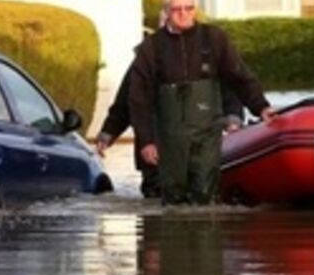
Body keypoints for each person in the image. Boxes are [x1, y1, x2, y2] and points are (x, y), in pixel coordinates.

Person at [128, 0, 275, 205]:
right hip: (169, 139)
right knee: (174, 198)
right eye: (177, 10)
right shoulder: (151, 47)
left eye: (189, 8)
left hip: (207, 133)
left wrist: (261, 106)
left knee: (206, 193)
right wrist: (146, 141)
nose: (184, 14)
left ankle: (206, 234)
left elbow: (239, 76)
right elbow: (138, 100)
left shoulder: (214, 38)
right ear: (166, 12)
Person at [95, 63, 245, 198]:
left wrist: (233, 119)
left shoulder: (211, 54)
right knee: (161, 197)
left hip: (199, 148)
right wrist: (108, 133)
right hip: (155, 151)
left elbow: (230, 93)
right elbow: (125, 102)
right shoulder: (146, 59)